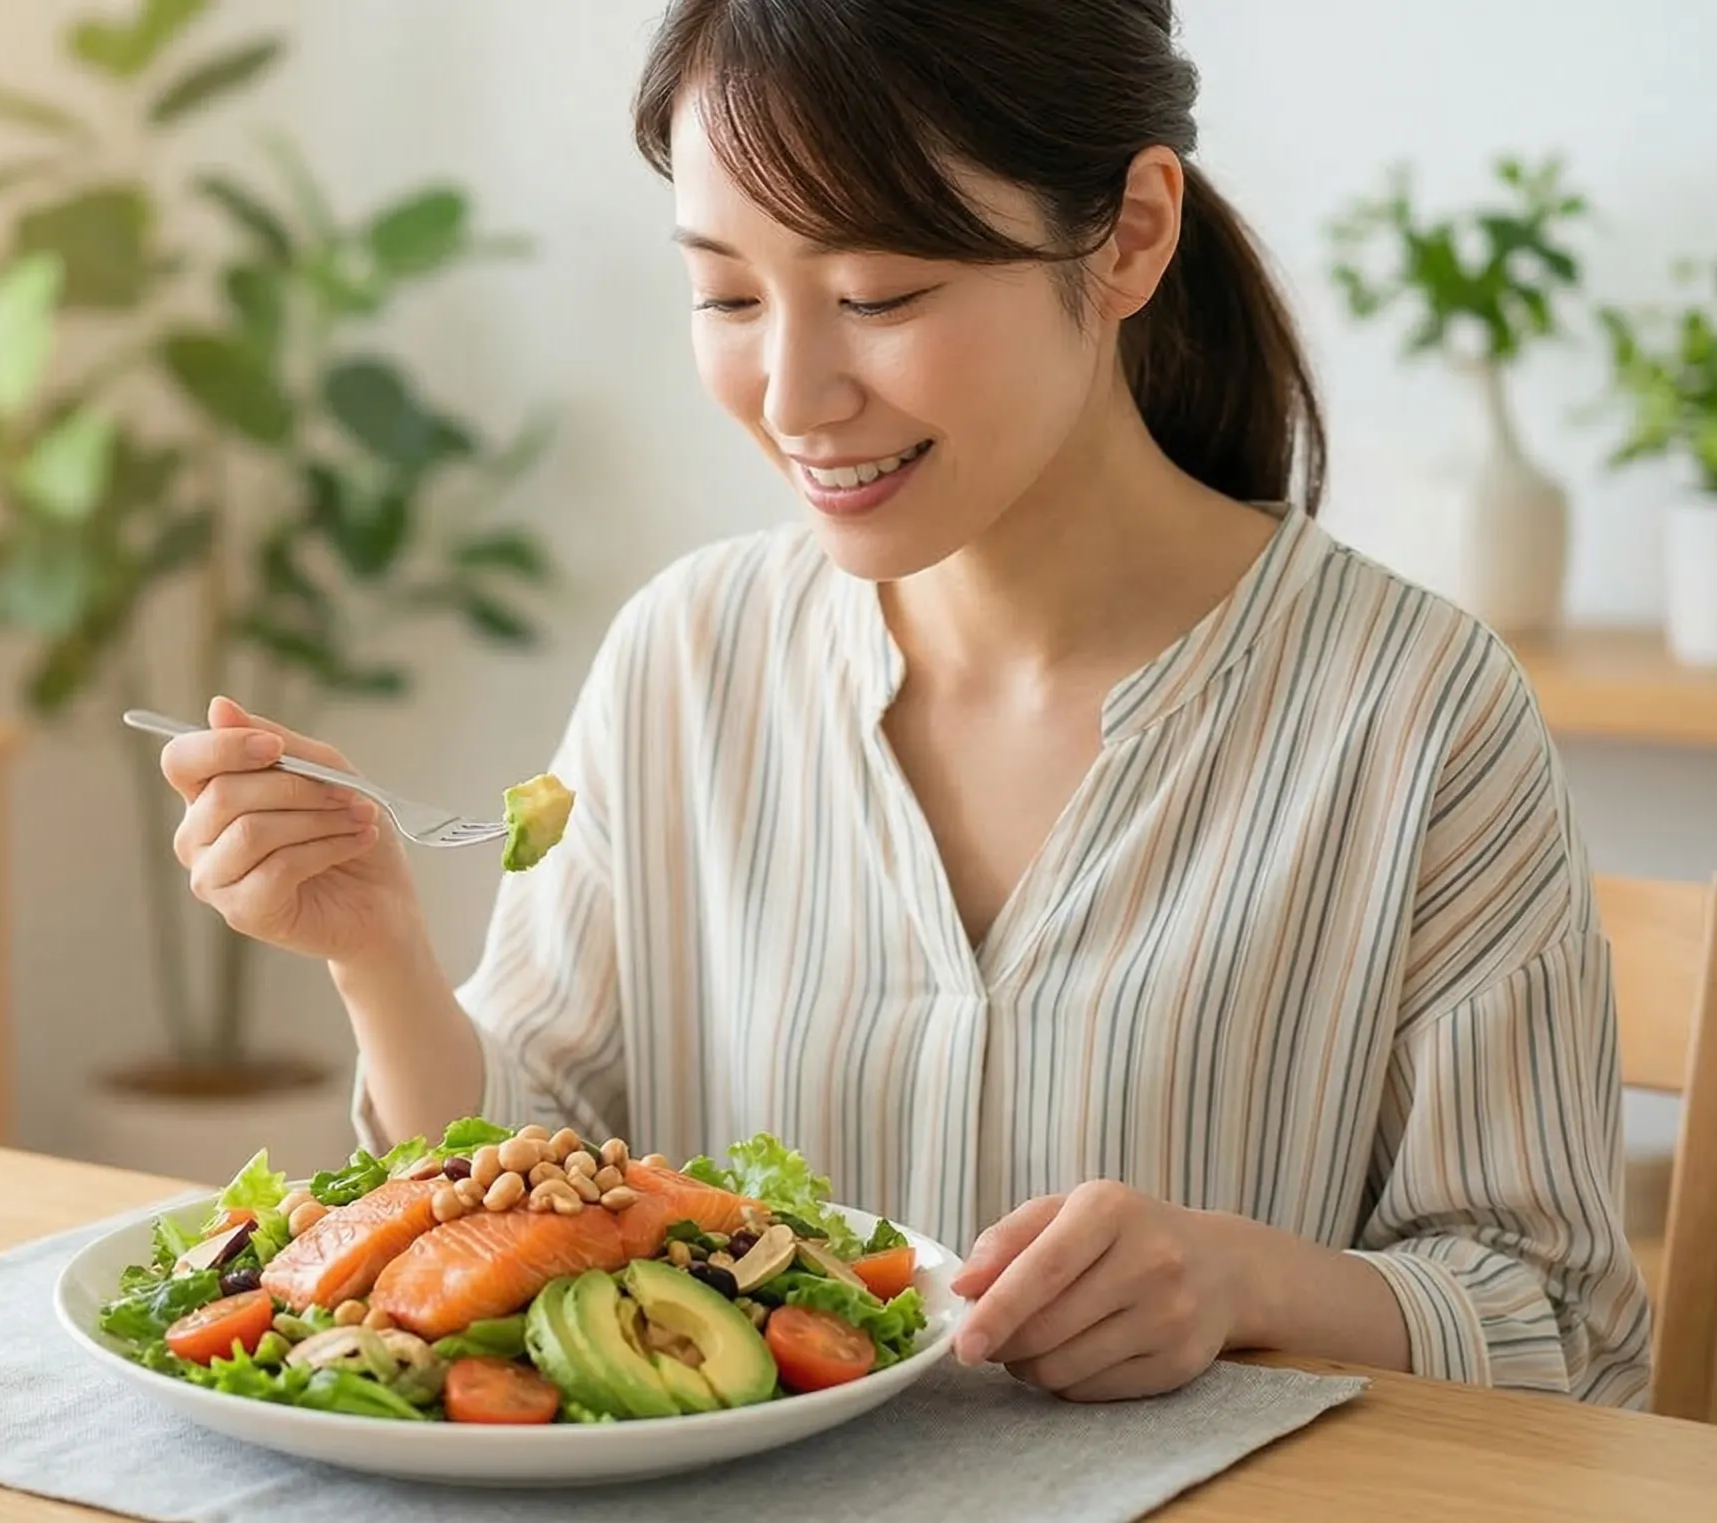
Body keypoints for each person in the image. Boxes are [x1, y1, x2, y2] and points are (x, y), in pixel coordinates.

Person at [152, 0, 1653, 1408]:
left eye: (878, 292)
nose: (793, 392)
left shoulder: (1417, 714)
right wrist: (378, 950)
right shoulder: (687, 657)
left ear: (1128, 237)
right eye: (725, 292)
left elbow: (1562, 1327)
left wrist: (1245, 1281)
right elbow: (520, 1181)